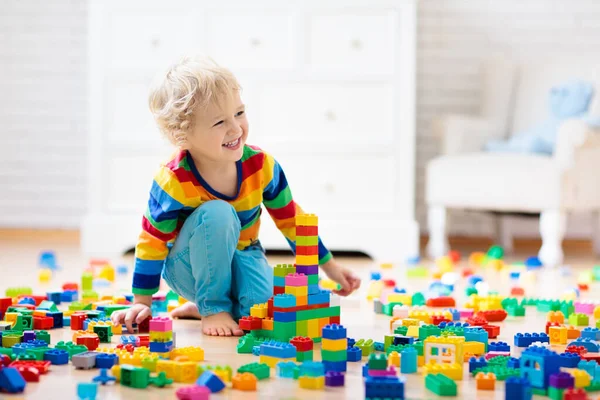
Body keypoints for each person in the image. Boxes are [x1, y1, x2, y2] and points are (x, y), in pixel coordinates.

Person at [111, 56, 361, 336]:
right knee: (218, 213)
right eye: (219, 122)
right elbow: (152, 240)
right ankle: (212, 307)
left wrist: (330, 266)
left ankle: (217, 306)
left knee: (263, 310)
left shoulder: (261, 166)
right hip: (187, 268)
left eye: (239, 113)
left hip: (243, 252)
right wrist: (141, 301)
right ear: (182, 136)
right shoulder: (173, 180)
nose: (235, 129)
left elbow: (292, 220)